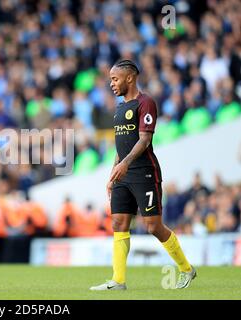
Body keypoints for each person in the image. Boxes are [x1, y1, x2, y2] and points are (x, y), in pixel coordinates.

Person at [90, 60, 196, 291]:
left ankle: (187, 269)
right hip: (123, 173)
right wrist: (113, 171)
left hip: (144, 172)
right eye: (110, 79)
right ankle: (118, 281)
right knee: (118, 222)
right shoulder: (119, 108)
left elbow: (144, 139)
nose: (111, 84)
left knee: (153, 226)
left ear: (130, 78)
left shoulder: (145, 103)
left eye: (115, 79)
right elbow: (122, 145)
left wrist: (125, 164)